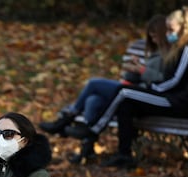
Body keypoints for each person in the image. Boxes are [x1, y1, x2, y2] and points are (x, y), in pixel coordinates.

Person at [39, 14, 169, 164]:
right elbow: (134, 76)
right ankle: (86, 149)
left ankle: (66, 119)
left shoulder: (168, 54)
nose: (153, 40)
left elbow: (161, 79)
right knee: (93, 100)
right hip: (128, 88)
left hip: (139, 94)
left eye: (155, 37)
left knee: (94, 83)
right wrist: (133, 67)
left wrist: (140, 69)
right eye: (151, 37)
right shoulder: (153, 52)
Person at [89, 6, 188, 168]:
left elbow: (175, 80)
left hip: (177, 103)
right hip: (166, 97)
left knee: (124, 92)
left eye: (171, 30)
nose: (168, 34)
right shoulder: (178, 48)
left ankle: (93, 131)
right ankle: (124, 154)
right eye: (167, 30)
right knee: (126, 104)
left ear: (183, 28)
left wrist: (152, 89)